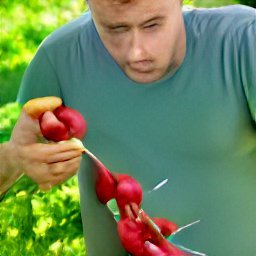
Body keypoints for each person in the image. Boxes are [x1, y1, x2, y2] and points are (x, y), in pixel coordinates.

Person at [0, 0, 255, 255]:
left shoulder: (243, 40)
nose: (137, 53)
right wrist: (14, 157)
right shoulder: (60, 59)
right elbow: (15, 161)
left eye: (152, 24)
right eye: (116, 29)